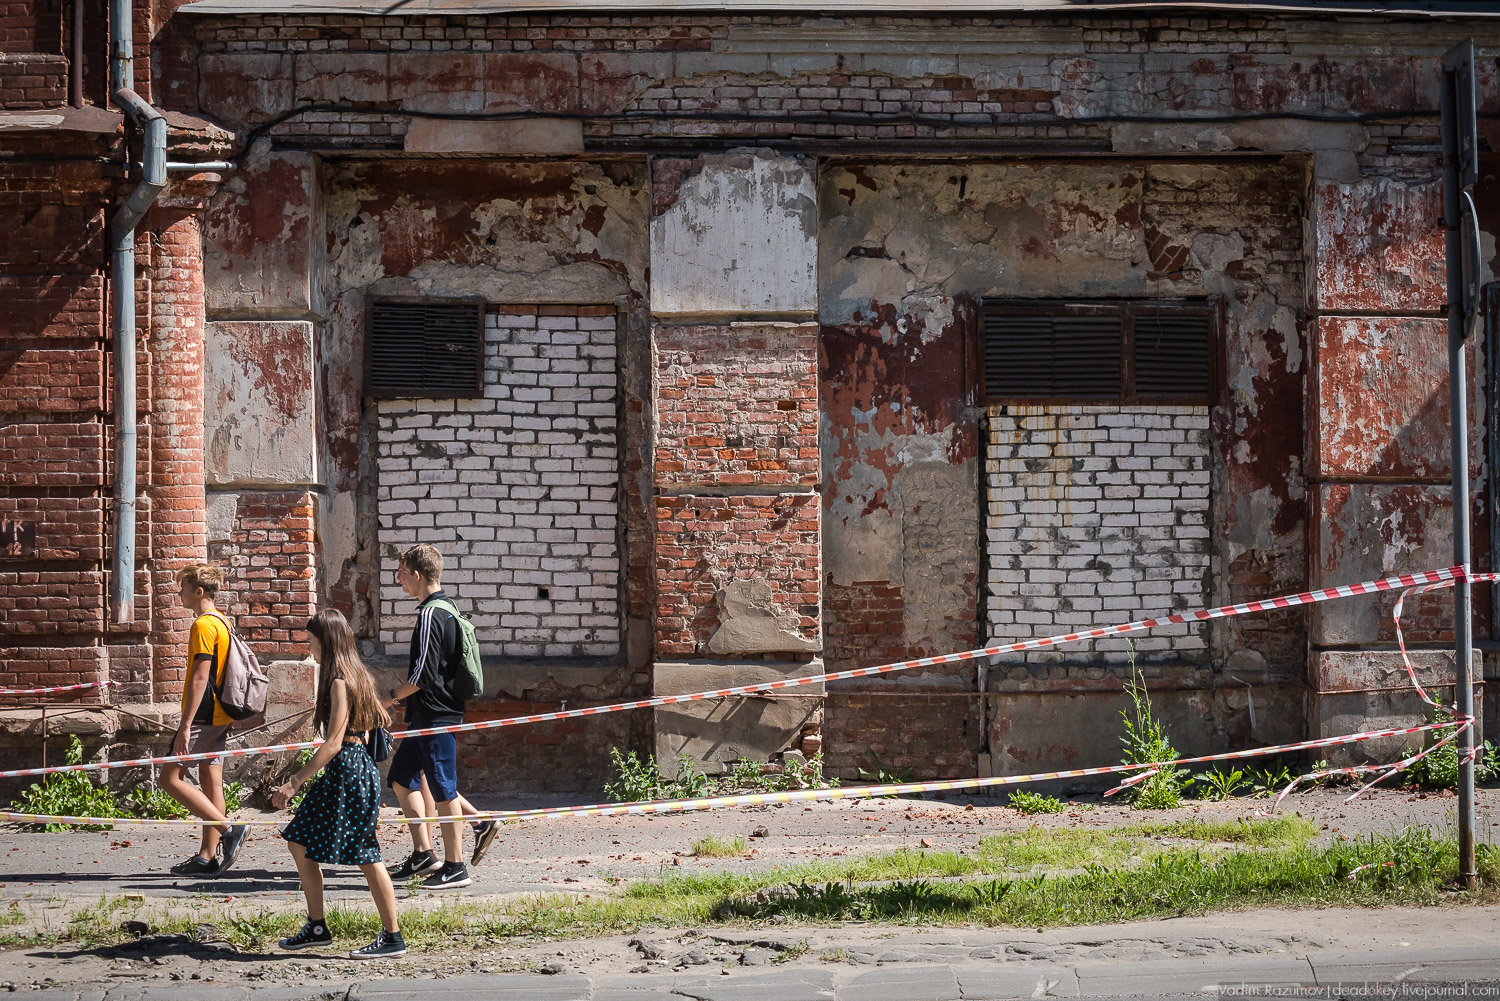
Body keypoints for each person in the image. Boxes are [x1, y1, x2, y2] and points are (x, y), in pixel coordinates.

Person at [272, 609, 406, 959]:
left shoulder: (339, 681)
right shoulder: (358, 674)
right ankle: (317, 926)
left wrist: (294, 782)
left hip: (348, 771)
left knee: (367, 853)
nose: (309, 645)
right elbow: (381, 717)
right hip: (351, 771)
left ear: (326, 641)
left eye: (312, 639)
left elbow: (333, 742)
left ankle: (393, 936)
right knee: (298, 841)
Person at [380, 543, 496, 888]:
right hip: (425, 715)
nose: (398, 580)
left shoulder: (433, 612)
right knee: (402, 777)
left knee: (443, 789)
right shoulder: (444, 608)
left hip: (435, 714)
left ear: (416, 575)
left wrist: (387, 698)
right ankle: (423, 855)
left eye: (400, 573)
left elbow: (424, 674)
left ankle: (456, 866)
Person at [161, 564, 248, 875]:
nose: (179, 593)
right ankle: (206, 858)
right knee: (212, 785)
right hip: (222, 713)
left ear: (198, 591)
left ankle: (229, 831)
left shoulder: (202, 625)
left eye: (183, 588)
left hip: (204, 715)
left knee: (169, 778)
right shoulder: (222, 622)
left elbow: (200, 678)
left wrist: (185, 727)